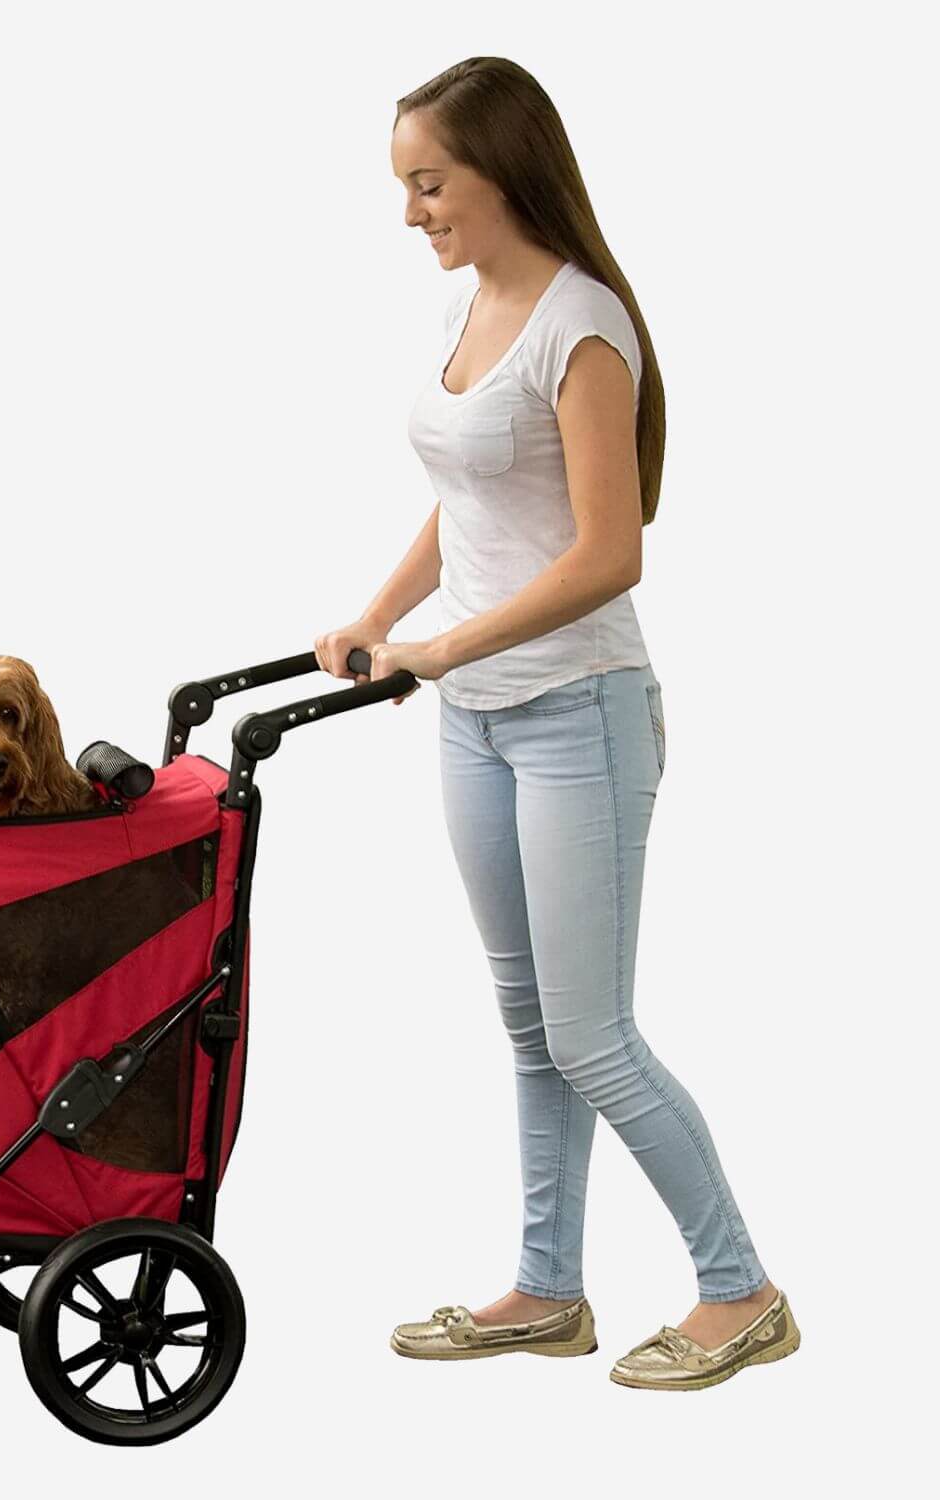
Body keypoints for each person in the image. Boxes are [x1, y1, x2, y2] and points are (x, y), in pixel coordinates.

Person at [313, 58, 800, 1391]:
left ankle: (739, 1291)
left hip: (579, 716)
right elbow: (465, 499)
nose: (411, 212)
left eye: (428, 183)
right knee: (530, 1027)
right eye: (404, 188)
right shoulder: (479, 310)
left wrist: (444, 645)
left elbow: (609, 553)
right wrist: (378, 616)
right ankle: (546, 1288)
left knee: (594, 1038)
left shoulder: (580, 324)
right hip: (471, 725)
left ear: (502, 171)